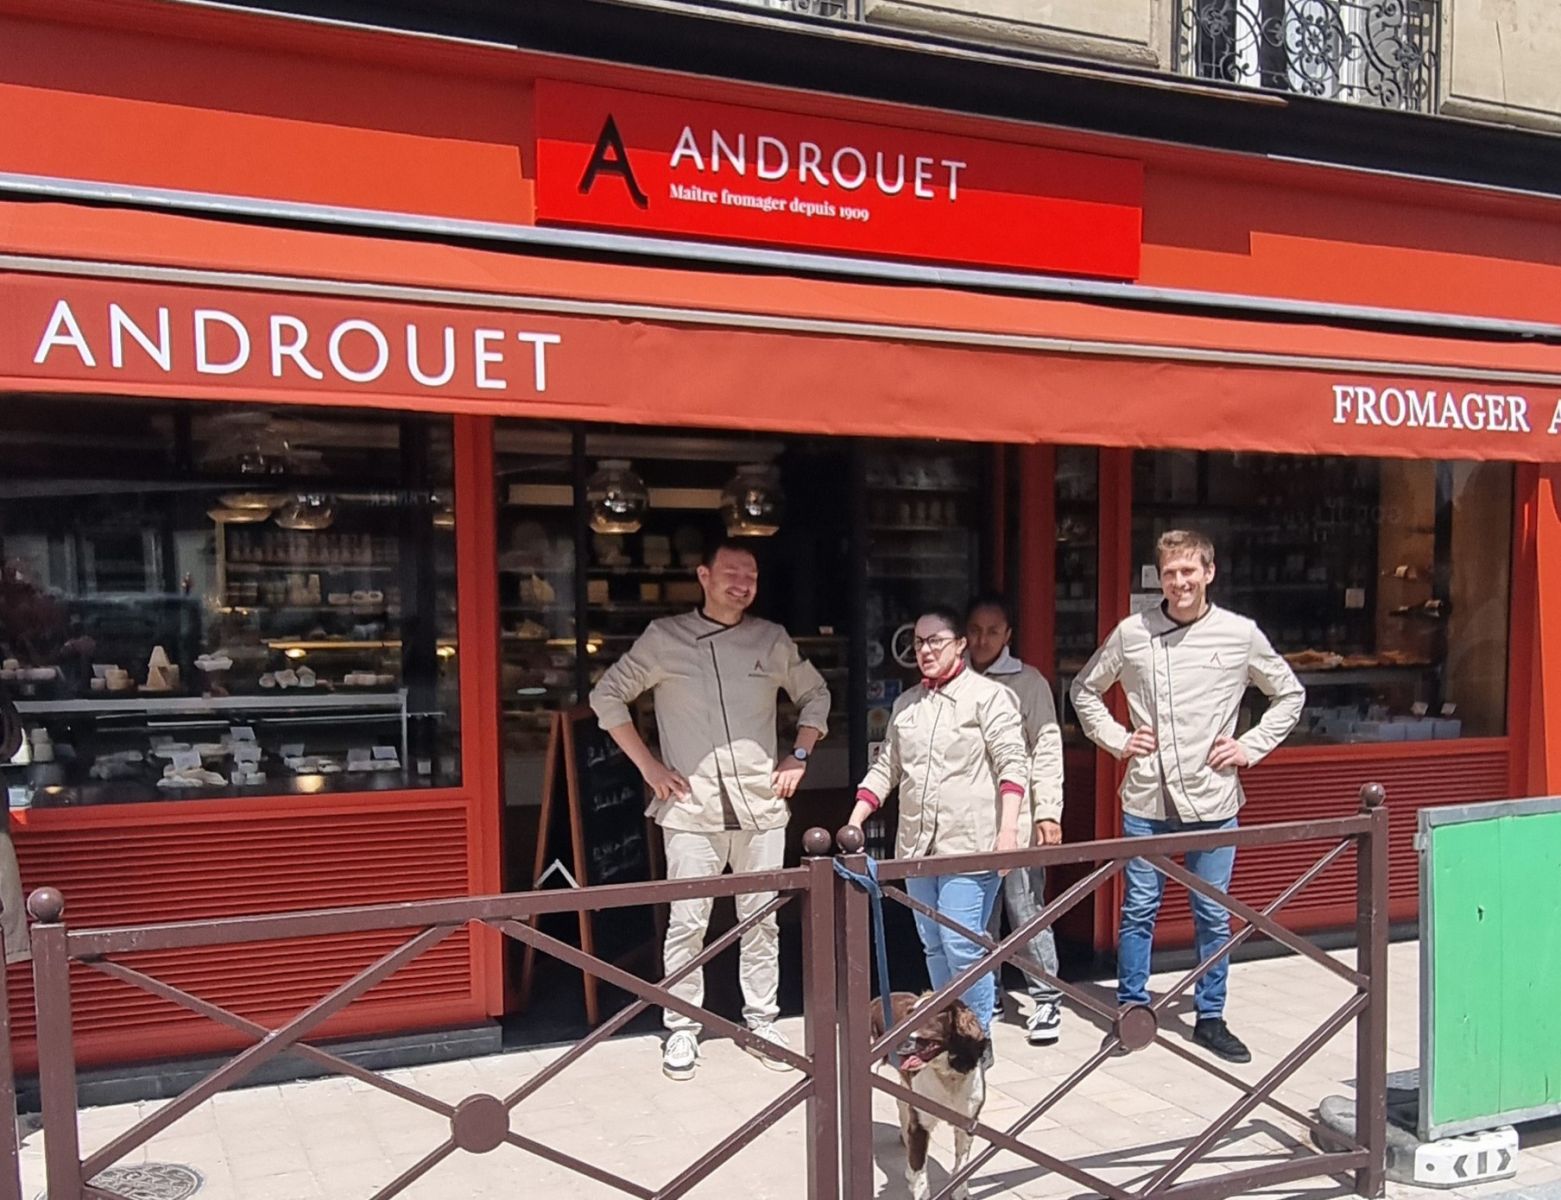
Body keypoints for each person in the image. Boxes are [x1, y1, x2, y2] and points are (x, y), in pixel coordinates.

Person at [589, 538, 830, 1082]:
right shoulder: (664, 638)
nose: (741, 583)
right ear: (703, 575)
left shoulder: (771, 639)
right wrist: (649, 767)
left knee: (761, 921)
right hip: (690, 809)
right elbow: (607, 697)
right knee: (688, 924)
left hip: (762, 807)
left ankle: (762, 1021)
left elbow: (816, 695)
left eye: (750, 575)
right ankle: (681, 1028)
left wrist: (798, 755)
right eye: (730, 572)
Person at [1070, 530, 1304, 1064]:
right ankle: (1131, 1012)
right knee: (1138, 909)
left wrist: (1250, 746)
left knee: (1212, 913)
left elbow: (1289, 693)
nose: (1179, 582)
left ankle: (1212, 1016)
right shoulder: (1133, 633)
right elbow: (1084, 689)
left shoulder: (1239, 634)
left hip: (1214, 798)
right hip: (1147, 799)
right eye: (1170, 573)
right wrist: (1117, 739)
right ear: (1160, 577)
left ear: (1209, 572)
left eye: (1189, 572)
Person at [846, 606, 1029, 1054]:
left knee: (963, 945)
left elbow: (1012, 764)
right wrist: (854, 819)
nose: (925, 650)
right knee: (933, 945)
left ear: (959, 644)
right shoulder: (906, 704)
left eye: (935, 641)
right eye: (919, 643)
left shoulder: (990, 697)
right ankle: (949, 1034)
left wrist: (1008, 833)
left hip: (969, 844)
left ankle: (976, 1039)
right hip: (917, 846)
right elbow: (886, 767)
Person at [965, 593, 1066, 1047]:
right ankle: (993, 992)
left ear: (1007, 635)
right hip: (968, 822)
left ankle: (1047, 996)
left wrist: (1048, 812)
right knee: (978, 916)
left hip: (1018, 816)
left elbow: (1046, 750)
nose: (982, 639)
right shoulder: (954, 680)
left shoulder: (1028, 682)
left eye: (992, 631)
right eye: (975, 630)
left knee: (1024, 908)